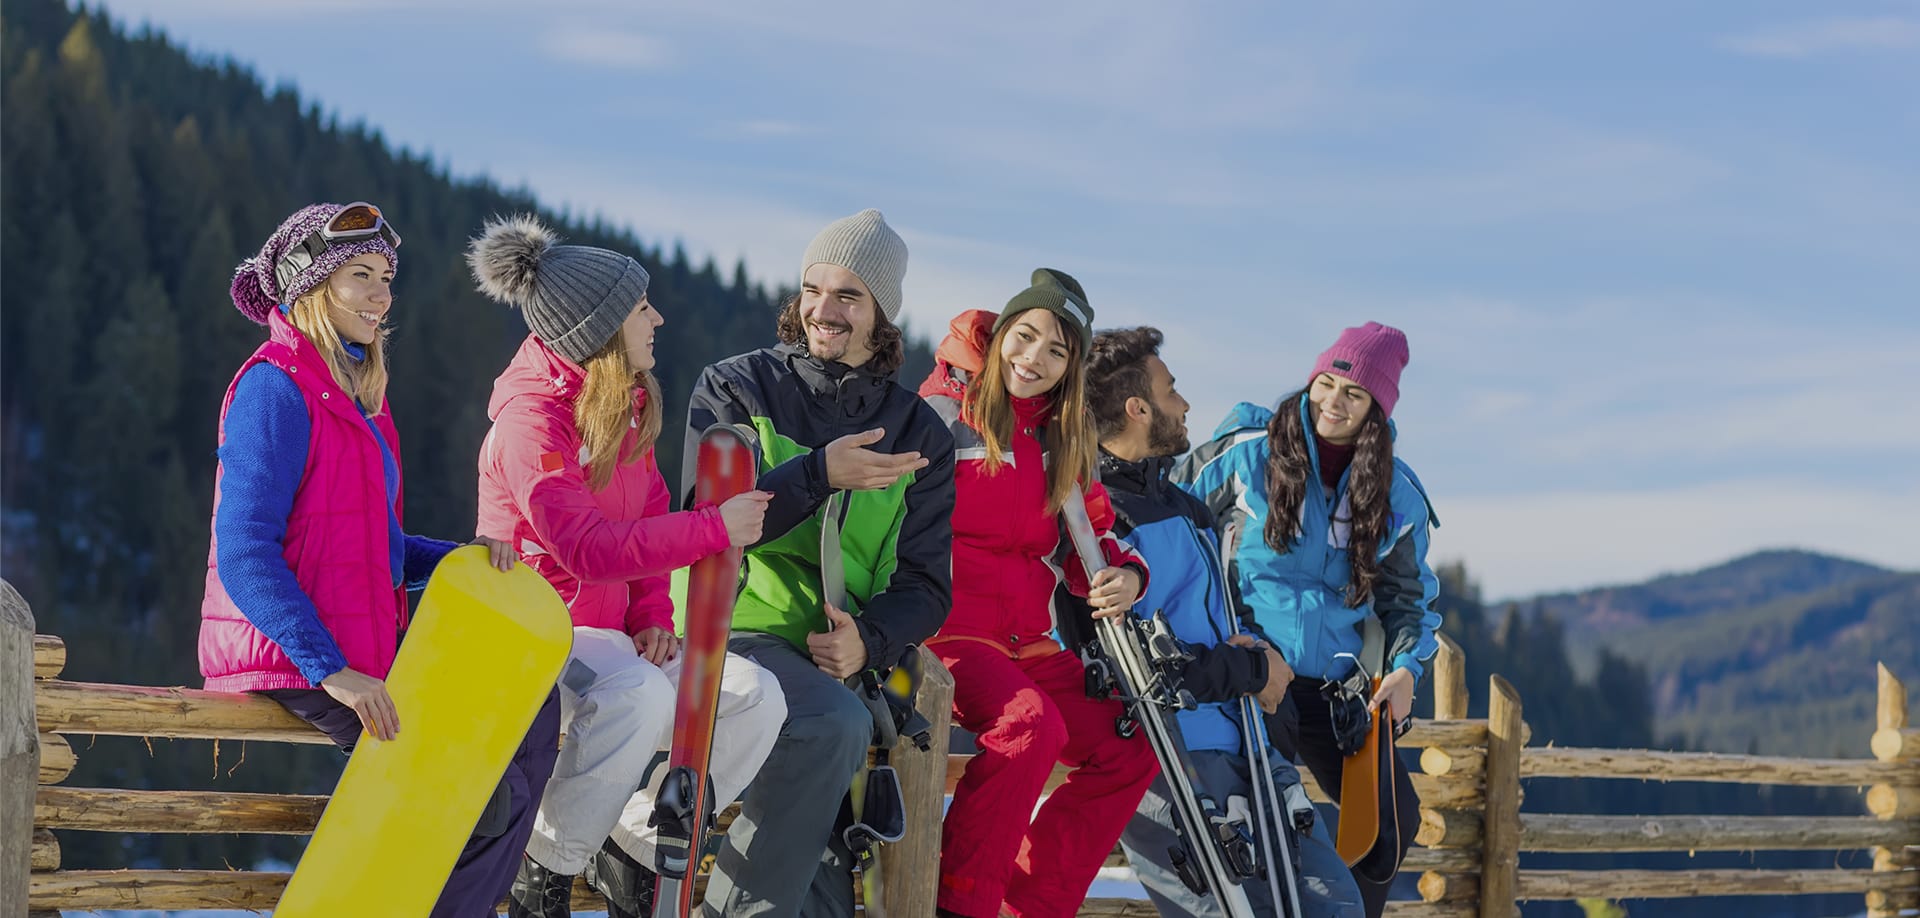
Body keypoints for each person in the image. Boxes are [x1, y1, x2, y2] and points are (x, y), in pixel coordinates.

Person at [199, 201, 554, 916]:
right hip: (296, 655)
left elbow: (378, 550)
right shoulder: (274, 387)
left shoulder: (358, 399)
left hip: (358, 650)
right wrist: (332, 672)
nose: (381, 293)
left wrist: (465, 561)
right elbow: (243, 551)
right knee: (481, 798)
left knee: (532, 720)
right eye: (360, 275)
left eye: (387, 277)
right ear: (309, 286)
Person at [464, 215, 788, 918]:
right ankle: (542, 868)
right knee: (638, 696)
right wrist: (712, 530)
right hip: (540, 637)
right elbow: (584, 547)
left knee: (756, 699)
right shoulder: (531, 423)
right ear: (600, 326)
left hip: (614, 642)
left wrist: (651, 618)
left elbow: (643, 522)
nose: (658, 317)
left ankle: (633, 847)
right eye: (642, 307)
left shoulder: (626, 407)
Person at [684, 209, 955, 917]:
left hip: (839, 659)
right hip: (733, 624)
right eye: (812, 289)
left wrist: (870, 639)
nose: (823, 311)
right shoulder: (737, 386)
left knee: (832, 893)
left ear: (881, 315)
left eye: (848, 296)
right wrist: (817, 473)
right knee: (833, 725)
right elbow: (703, 521)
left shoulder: (919, 432)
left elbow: (927, 583)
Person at [1087, 326, 1362, 918]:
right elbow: (1133, 670)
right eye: (1171, 390)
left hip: (1252, 745)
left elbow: (1221, 620)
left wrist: (1266, 674)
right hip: (1176, 758)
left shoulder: (1184, 506)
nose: (1185, 405)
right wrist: (1250, 668)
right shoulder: (1097, 522)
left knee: (1334, 904)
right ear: (1138, 410)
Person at [917, 271, 1160, 918]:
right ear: (1000, 337)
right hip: (947, 632)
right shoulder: (944, 414)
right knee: (1029, 728)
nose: (1035, 359)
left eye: (1056, 351)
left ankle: (1030, 905)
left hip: (1027, 641)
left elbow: (1092, 540)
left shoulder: (1063, 437)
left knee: (1128, 747)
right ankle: (958, 902)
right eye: (1025, 337)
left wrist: (1127, 575)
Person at [1175, 322, 1439, 918]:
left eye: (1353, 395)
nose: (1332, 402)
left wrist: (1404, 671)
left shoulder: (1397, 493)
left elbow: (1408, 599)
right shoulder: (1246, 454)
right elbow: (1168, 522)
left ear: (1377, 409)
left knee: (1391, 821)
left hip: (1335, 685)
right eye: (1326, 383)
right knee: (1269, 820)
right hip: (1253, 671)